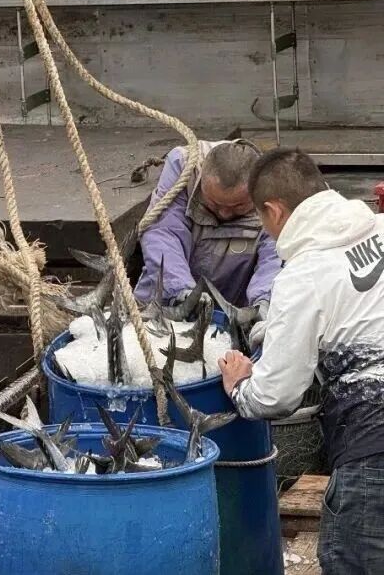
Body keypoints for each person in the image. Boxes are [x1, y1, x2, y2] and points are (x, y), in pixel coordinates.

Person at [218, 147, 384, 575]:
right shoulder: (380, 227)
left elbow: (276, 396)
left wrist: (240, 385)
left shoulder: (302, 276)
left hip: (374, 447)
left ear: (274, 211)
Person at [134, 139, 280, 314]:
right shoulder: (185, 167)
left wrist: (264, 301)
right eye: (215, 203)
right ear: (202, 179)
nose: (224, 214)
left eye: (238, 206)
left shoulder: (274, 186)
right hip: (162, 302)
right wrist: (180, 290)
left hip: (233, 309)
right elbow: (164, 232)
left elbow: (274, 255)